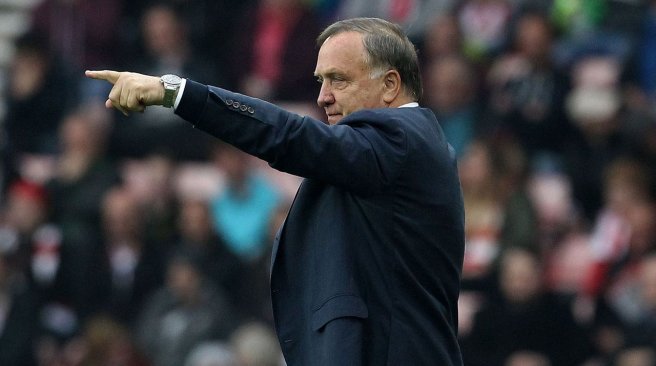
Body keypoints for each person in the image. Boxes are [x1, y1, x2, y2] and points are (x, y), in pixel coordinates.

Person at [87, 17, 465, 365]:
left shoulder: (402, 138)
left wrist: (175, 92)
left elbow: (291, 137)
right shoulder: (389, 154)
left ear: (390, 85)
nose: (323, 97)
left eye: (339, 79)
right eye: (321, 81)